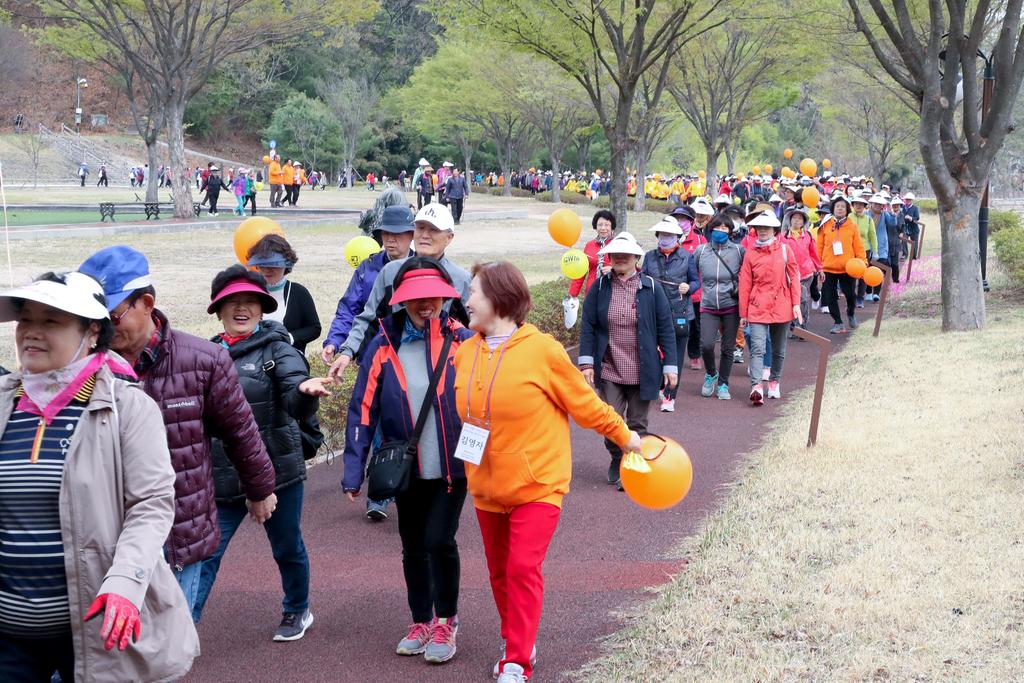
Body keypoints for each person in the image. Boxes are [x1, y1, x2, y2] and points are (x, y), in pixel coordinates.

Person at [0, 272, 198, 680]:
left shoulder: (128, 408)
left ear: (92, 333)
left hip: (96, 625)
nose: (31, 332)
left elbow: (151, 504)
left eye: (50, 321)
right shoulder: (4, 403)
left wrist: (125, 582)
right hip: (9, 636)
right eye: (25, 320)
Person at [453, 261, 643, 683]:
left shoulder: (543, 351)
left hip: (537, 483)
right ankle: (516, 638)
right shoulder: (465, 352)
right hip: (485, 484)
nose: (467, 300)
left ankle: (517, 661)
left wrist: (626, 437)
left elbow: (585, 404)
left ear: (500, 299)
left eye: (474, 292)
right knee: (499, 573)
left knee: (522, 568)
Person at [79, 246, 277, 614]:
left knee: (170, 634)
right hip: (105, 533)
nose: (101, 329)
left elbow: (240, 431)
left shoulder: (204, 360)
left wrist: (260, 488)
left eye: (112, 316)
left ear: (147, 304)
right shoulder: (82, 366)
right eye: (93, 319)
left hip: (178, 530)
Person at [343, 258, 475, 664]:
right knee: (413, 546)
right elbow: (362, 408)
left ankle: (447, 620)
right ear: (401, 300)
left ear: (445, 298)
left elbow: (486, 399)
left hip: (452, 467)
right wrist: (353, 472)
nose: (425, 304)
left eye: (433, 296)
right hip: (405, 468)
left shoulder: (464, 340)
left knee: (439, 540)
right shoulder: (383, 344)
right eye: (416, 298)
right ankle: (421, 620)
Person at [191, 266, 330, 641]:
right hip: (223, 474)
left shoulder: (278, 349)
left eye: (250, 301)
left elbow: (293, 390)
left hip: (276, 471)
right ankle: (183, 624)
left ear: (262, 307)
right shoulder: (206, 354)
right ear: (218, 310)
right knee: (206, 554)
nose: (242, 308)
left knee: (287, 547)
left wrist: (304, 392)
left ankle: (297, 609)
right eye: (232, 302)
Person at [579, 232, 677, 488]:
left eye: (626, 255)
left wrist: (670, 366)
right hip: (610, 367)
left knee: (637, 423)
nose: (620, 258)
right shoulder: (600, 287)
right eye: (616, 255)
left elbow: (666, 328)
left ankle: (630, 468)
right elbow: (588, 325)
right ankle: (617, 457)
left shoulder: (651, 288)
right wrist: (586, 363)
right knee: (610, 422)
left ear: (636, 258)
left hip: (644, 369)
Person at [328, 203, 470, 380]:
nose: (425, 235)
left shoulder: (461, 279)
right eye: (420, 228)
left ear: (449, 237)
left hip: (443, 371)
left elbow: (473, 328)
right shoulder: (391, 272)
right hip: (394, 369)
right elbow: (368, 318)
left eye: (433, 230)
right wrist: (347, 351)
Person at [246, 234, 324, 463]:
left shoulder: (298, 292)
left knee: (289, 422)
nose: (267, 270)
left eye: (274, 265)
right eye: (263, 265)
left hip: (290, 371)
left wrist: (289, 338)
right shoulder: (250, 293)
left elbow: (314, 327)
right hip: (256, 373)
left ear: (286, 265)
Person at [322, 206, 415, 366]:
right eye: (386, 233)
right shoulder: (368, 267)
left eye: (397, 234)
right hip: (370, 354)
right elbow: (349, 308)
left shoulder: (423, 267)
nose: (390, 239)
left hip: (411, 354)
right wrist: (334, 341)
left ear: (411, 235)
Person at [739, 211, 801, 405]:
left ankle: (774, 381)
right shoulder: (750, 253)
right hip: (757, 305)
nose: (763, 231)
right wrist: (743, 313)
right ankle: (756, 386)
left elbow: (794, 278)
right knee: (757, 348)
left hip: (782, 304)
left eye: (767, 228)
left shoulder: (785, 250)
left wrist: (796, 304)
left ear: (774, 230)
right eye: (759, 228)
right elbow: (745, 284)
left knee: (778, 349)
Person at [641, 216, 699, 412]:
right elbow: (642, 278)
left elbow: (696, 281)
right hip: (654, 313)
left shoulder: (687, 257)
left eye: (670, 235)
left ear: (677, 237)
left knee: (675, 356)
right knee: (653, 353)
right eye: (663, 235)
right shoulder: (649, 257)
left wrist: (688, 287)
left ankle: (669, 396)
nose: (665, 238)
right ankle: (659, 383)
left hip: (679, 312)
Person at [693, 214, 745, 400]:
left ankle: (723, 383)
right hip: (708, 305)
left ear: (730, 231)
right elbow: (690, 272)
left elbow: (750, 273)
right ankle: (711, 374)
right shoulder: (701, 251)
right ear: (711, 229)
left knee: (727, 347)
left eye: (725, 228)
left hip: (731, 305)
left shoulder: (738, 251)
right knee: (706, 345)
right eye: (717, 227)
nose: (720, 231)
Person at [816, 195, 867, 334]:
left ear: (847, 210)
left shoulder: (852, 226)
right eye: (837, 206)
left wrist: (863, 262)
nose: (840, 208)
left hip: (848, 268)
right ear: (833, 208)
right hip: (828, 268)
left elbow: (859, 246)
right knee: (830, 296)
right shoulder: (825, 225)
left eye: (843, 207)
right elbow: (819, 247)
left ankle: (851, 313)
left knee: (850, 295)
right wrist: (818, 266)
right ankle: (838, 322)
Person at [673, 205, 707, 371]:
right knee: (674, 324)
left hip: (694, 293)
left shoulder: (700, 240)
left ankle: (694, 355)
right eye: (677, 219)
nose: (680, 222)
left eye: (683, 219)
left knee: (694, 326)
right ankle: (672, 355)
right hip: (673, 293)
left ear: (691, 222)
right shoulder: (669, 237)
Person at [780, 206, 823, 332]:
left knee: (801, 298)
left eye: (800, 218)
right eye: (794, 218)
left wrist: (820, 269)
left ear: (804, 222)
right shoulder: (782, 237)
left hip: (806, 274)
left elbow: (814, 254)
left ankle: (802, 325)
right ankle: (794, 326)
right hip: (788, 274)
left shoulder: (808, 236)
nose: (797, 220)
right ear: (789, 220)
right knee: (791, 300)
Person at [567, 210, 616, 301]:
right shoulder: (589, 245)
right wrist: (572, 294)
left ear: (612, 226)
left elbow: (629, 269)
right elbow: (581, 271)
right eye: (600, 225)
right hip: (591, 293)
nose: (603, 228)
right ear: (595, 227)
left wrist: (614, 271)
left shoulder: (618, 245)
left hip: (612, 295)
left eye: (607, 225)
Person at [848, 194, 877, 307]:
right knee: (850, 275)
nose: (859, 206)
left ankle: (860, 298)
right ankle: (851, 297)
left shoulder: (868, 219)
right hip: (850, 250)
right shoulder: (848, 217)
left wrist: (875, 251)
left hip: (864, 250)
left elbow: (872, 236)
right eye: (856, 204)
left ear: (865, 206)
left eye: (861, 204)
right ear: (853, 205)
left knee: (862, 275)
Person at [901, 192, 921, 259]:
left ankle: (913, 257)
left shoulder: (915, 208)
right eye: (907, 199)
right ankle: (905, 254)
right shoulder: (902, 207)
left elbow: (917, 217)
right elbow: (900, 216)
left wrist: (911, 218)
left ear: (912, 200)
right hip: (905, 228)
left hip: (914, 228)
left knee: (914, 244)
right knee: (904, 240)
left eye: (909, 199)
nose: (908, 201)